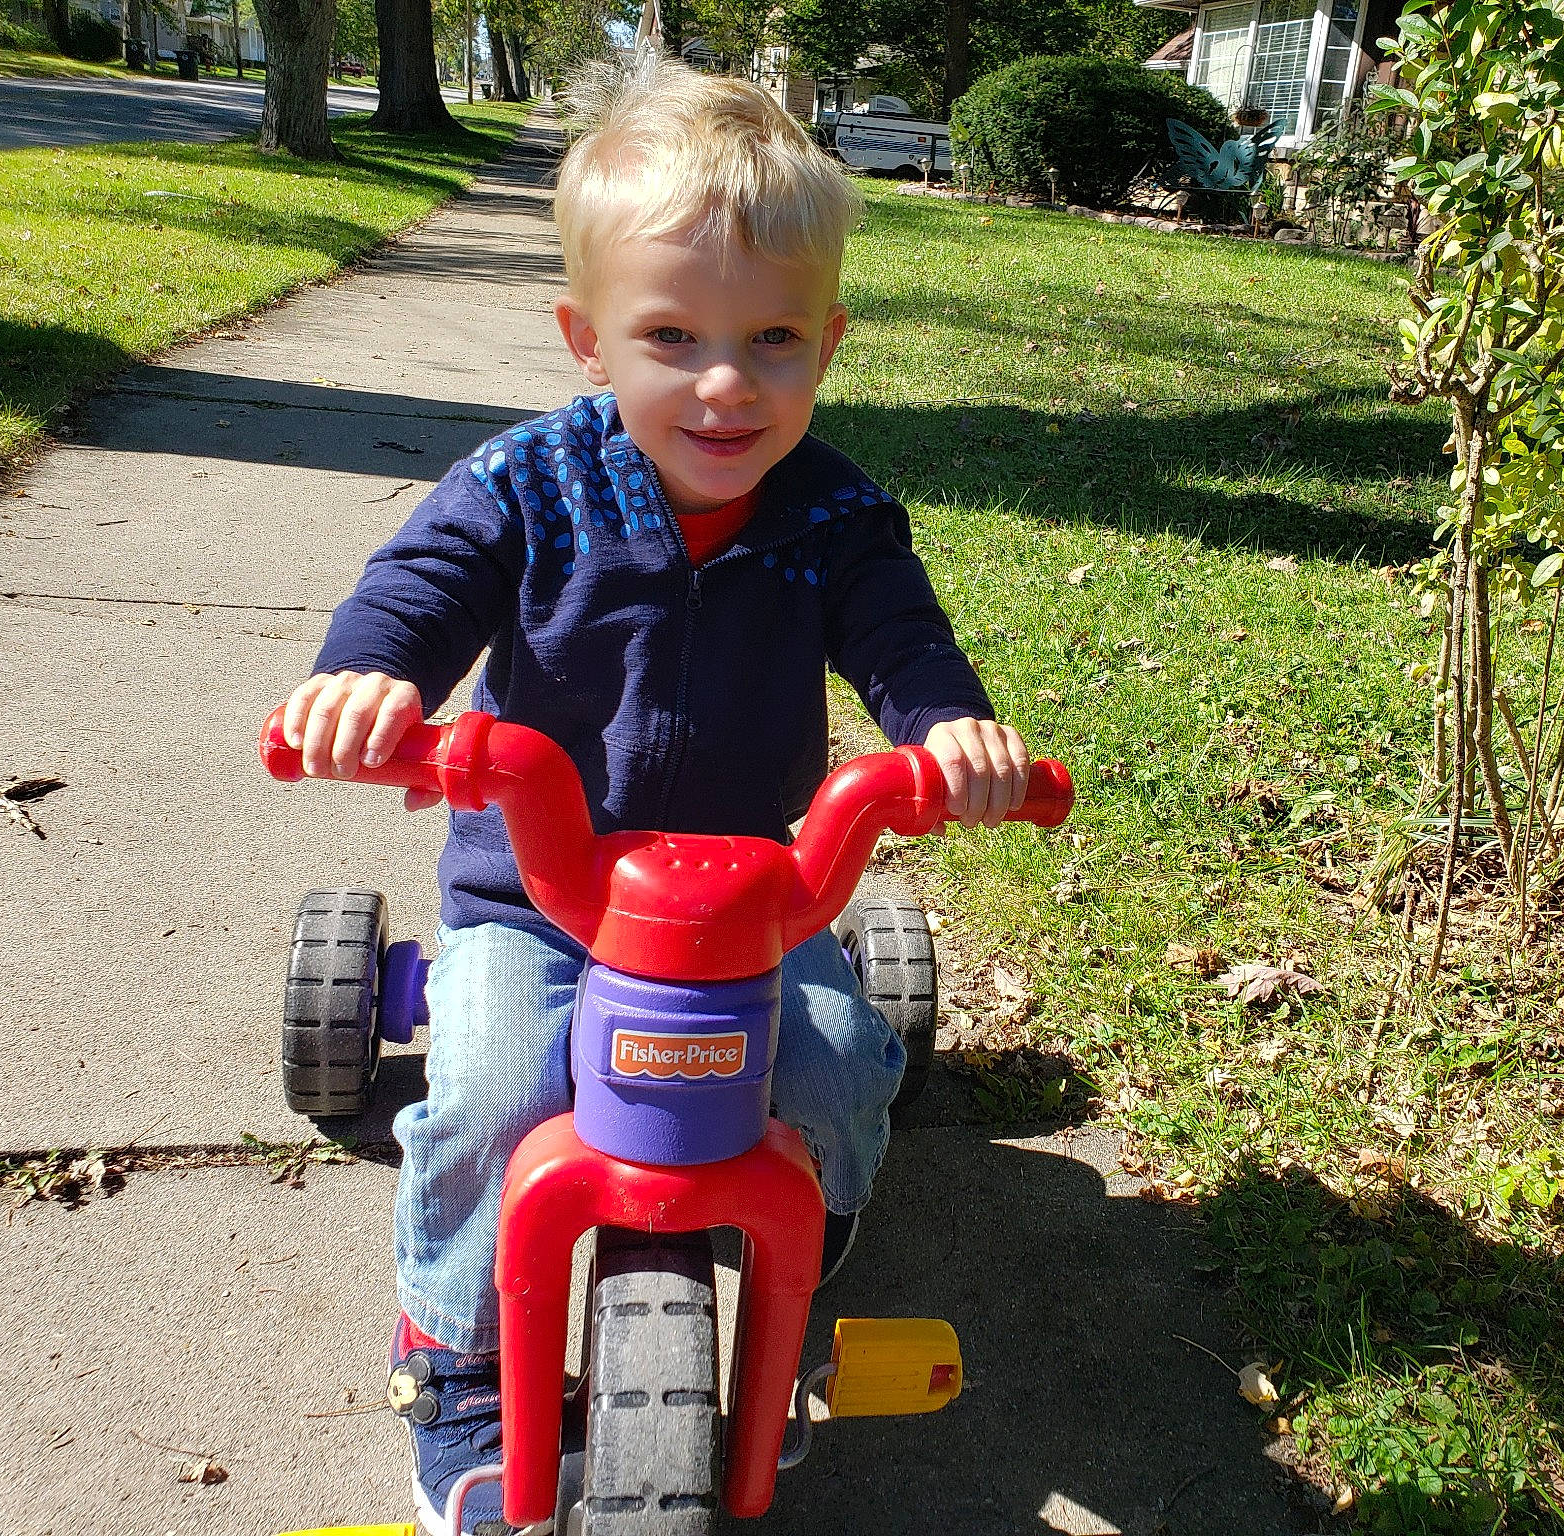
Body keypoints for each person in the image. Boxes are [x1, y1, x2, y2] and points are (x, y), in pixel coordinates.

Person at [276, 56, 1031, 1536]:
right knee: (493, 1090)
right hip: (540, 892)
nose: (726, 383)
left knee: (825, 1071)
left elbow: (902, 639)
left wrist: (948, 733)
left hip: (753, 904)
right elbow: (420, 587)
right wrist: (373, 681)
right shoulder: (527, 488)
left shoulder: (835, 515)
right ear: (588, 339)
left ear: (829, 342)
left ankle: (805, 1241)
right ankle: (457, 1357)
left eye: (772, 341)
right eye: (672, 336)